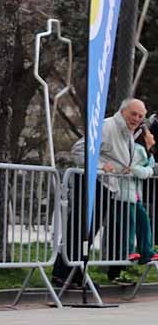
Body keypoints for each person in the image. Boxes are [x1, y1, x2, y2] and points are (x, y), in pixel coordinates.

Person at [56, 98, 145, 287]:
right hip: (92, 183)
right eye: (133, 114)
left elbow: (115, 156)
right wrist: (103, 166)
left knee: (88, 232)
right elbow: (79, 150)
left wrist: (122, 168)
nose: (136, 118)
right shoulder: (107, 127)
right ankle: (64, 274)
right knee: (79, 229)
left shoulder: (127, 132)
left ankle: (75, 273)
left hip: (107, 186)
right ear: (123, 112)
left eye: (140, 116)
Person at [109, 123, 156, 284]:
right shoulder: (135, 149)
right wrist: (148, 171)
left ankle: (147, 251)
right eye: (150, 134)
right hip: (123, 194)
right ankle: (127, 251)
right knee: (128, 224)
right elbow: (137, 170)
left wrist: (148, 169)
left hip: (135, 195)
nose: (153, 137)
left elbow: (148, 167)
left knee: (143, 222)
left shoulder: (145, 151)